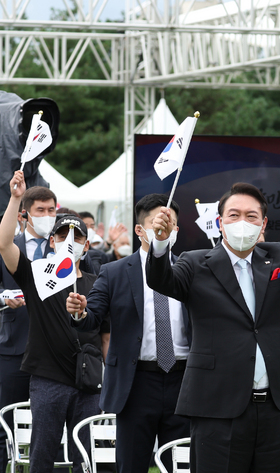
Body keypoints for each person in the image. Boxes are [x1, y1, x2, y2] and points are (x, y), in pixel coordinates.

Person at [145, 181, 280, 473]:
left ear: (263, 223)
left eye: (251, 216)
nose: (242, 222)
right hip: (217, 406)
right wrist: (159, 244)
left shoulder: (279, 256)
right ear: (220, 222)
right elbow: (161, 280)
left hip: (274, 405)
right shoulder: (194, 264)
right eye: (233, 215)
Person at [66, 194, 191, 473]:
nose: (163, 230)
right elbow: (92, 318)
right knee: (131, 464)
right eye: (157, 224)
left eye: (169, 225)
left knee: (183, 465)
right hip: (136, 383)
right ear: (139, 230)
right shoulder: (114, 272)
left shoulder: (190, 268)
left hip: (184, 381)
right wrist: (80, 311)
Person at [0, 171, 107, 473]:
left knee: (85, 459)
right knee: (43, 455)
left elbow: (105, 335)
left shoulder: (99, 282)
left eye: (78, 237)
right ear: (51, 240)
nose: (70, 241)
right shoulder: (36, 274)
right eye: (62, 236)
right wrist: (15, 198)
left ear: (87, 246)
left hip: (89, 381)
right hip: (47, 379)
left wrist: (109, 379)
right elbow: (5, 243)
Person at [0, 184, 56, 472]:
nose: (47, 215)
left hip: (53, 352)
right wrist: (3, 297)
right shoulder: (8, 246)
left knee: (51, 428)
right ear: (26, 215)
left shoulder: (63, 249)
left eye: (51, 210)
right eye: (41, 211)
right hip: (14, 346)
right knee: (5, 424)